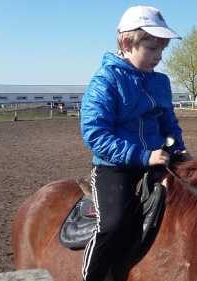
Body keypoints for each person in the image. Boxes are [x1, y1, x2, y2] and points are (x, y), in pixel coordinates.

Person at [79, 5, 190, 281]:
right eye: (152, 49)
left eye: (162, 50)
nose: (159, 57)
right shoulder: (105, 81)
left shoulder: (161, 82)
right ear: (127, 43)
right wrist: (143, 156)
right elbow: (95, 134)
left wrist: (179, 149)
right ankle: (92, 276)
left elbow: (169, 124)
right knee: (113, 224)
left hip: (157, 157)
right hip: (115, 166)